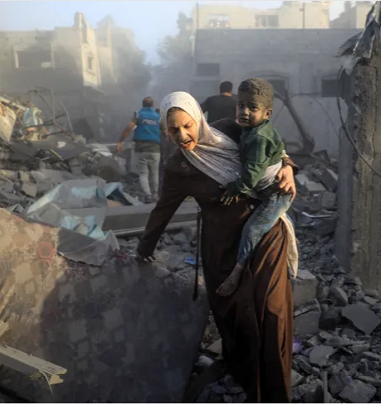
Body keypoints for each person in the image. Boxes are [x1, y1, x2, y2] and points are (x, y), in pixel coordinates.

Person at [137, 91, 298, 402]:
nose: (182, 136)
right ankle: (243, 374)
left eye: (187, 126)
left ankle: (275, 392)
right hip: (221, 246)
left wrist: (289, 166)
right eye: (173, 130)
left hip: (265, 235)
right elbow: (163, 209)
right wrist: (143, 249)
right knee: (234, 315)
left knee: (271, 310)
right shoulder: (177, 167)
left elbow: (271, 142)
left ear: (199, 119)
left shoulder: (229, 130)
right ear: (165, 130)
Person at [217, 78, 293, 297]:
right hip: (266, 189)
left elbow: (250, 178)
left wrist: (233, 189)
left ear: (267, 114)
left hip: (275, 195)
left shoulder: (259, 137)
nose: (245, 112)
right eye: (241, 105)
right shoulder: (251, 130)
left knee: (252, 230)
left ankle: (236, 273)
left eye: (253, 108)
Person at [117, 97, 164, 203]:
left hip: (141, 149)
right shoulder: (159, 117)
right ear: (152, 105)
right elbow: (166, 132)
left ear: (142, 105)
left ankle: (147, 195)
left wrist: (120, 141)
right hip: (155, 149)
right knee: (155, 173)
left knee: (143, 173)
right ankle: (155, 195)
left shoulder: (138, 114)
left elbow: (130, 126)